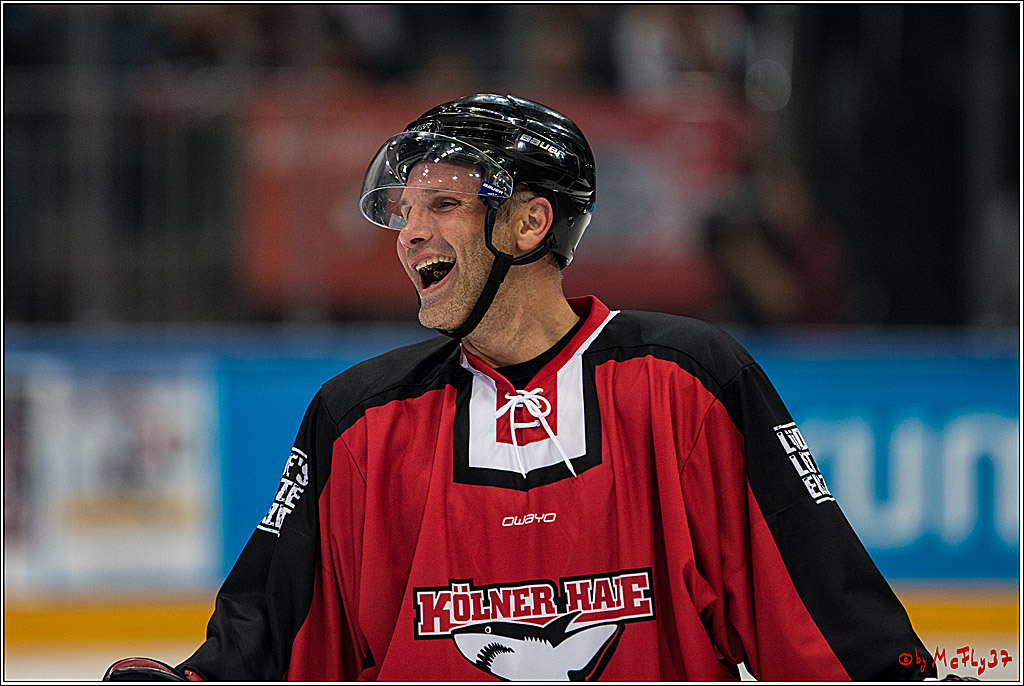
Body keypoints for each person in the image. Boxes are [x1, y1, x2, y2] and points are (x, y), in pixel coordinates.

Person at [105, 94, 946, 681]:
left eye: (441, 205)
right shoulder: (356, 420)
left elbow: (821, 620)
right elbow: (277, 644)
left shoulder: (690, 381)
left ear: (530, 222)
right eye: (402, 210)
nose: (408, 234)